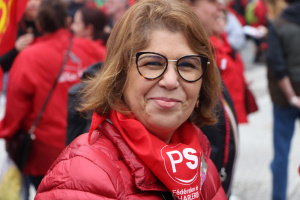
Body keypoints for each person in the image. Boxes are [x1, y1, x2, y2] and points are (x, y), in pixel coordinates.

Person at [35, 0, 227, 199]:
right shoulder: (84, 175)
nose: (170, 81)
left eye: (188, 65)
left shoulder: (201, 163)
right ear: (120, 76)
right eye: (152, 63)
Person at [0, 0, 105, 194]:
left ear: (39, 25)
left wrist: (6, 133)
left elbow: (15, 109)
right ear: (67, 22)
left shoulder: (28, 57)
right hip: (87, 150)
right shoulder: (93, 50)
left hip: (44, 155)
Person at [183, 0, 239, 197]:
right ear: (186, 5)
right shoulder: (178, 70)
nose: (220, 7)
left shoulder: (202, 57)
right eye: (212, 1)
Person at [266, 0, 300, 199]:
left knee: (281, 155)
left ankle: (278, 196)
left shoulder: (278, 24)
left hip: (285, 100)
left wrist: (293, 97)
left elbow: (277, 67)